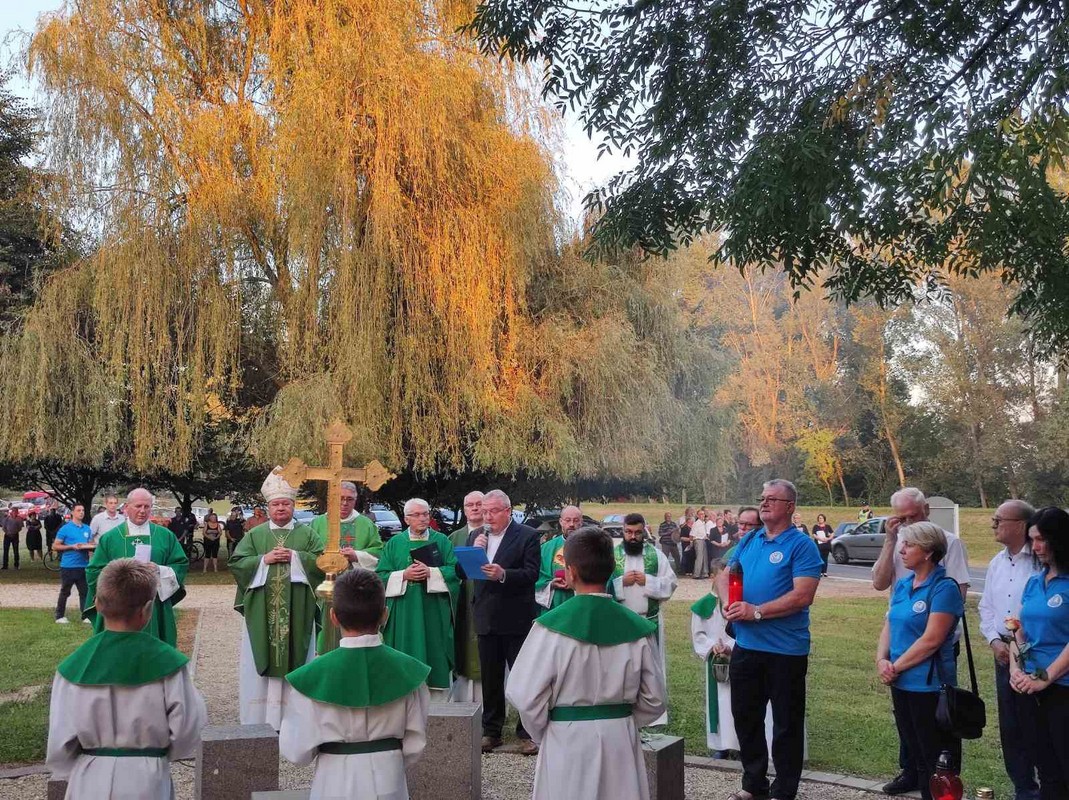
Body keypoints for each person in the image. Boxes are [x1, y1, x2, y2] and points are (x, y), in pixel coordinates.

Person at [506, 526, 665, 800]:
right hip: (620, 741)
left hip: (566, 740)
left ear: (571, 572)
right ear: (612, 569)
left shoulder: (549, 629)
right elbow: (654, 700)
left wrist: (546, 731)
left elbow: (526, 695)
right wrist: (621, 720)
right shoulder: (637, 630)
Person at [46, 559, 207, 800]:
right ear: (148, 610)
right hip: (147, 779)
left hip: (89, 778)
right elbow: (187, 730)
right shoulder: (169, 665)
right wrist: (158, 754)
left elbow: (59, 742)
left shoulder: (73, 668)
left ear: (98, 605)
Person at [280, 568, 430, 800]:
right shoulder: (409, 672)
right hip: (389, 780)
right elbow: (415, 745)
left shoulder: (310, 678)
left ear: (333, 617)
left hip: (334, 782)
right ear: (384, 615)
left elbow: (296, 752)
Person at [716, 479, 822, 800]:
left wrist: (757, 611)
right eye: (762, 498)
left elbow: (803, 595)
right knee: (746, 718)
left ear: (789, 507)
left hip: (785, 651)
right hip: (747, 648)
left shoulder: (801, 545)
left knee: (786, 724)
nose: (764, 504)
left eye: (772, 499)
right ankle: (754, 784)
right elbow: (723, 575)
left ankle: (783, 791)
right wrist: (727, 602)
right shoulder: (750, 540)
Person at [872, 487, 971, 796]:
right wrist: (881, 660)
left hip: (928, 676)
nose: (903, 546)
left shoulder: (944, 581)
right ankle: (912, 775)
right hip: (900, 673)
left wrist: (896, 665)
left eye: (909, 544)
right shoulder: (903, 583)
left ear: (927, 551)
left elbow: (933, 637)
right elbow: (888, 617)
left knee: (935, 751)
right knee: (913, 740)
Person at [230, 468, 325, 730]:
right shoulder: (255, 535)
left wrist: (295, 557)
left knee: (299, 653)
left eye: (285, 503)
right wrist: (264, 560)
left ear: (293, 506)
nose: (280, 508)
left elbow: (322, 562)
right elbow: (237, 563)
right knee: (259, 653)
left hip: (299, 610)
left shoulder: (307, 535)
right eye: (275, 504)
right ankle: (259, 718)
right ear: (268, 507)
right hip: (262, 611)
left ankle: (297, 719)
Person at [460, 488, 540, 755]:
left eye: (493, 511)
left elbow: (531, 574)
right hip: (485, 615)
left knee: (522, 676)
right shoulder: (476, 535)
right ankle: (491, 731)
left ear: (508, 511)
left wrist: (504, 574)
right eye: (484, 512)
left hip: (516, 616)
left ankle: (527, 731)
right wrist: (472, 551)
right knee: (490, 678)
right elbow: (461, 570)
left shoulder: (527, 536)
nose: (488, 517)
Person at [979, 499, 1041, 800]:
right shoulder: (996, 562)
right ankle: (1023, 789)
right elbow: (986, 606)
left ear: (1020, 526)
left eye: (999, 519)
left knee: (1040, 723)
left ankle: (1051, 785)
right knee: (1011, 725)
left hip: (1038, 652)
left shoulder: (1042, 560)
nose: (994, 524)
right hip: (1003, 653)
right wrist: (993, 640)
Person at [1011, 507, 1069, 800]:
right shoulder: (1035, 581)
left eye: (1041, 539)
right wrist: (1015, 671)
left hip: (1061, 689)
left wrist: (1045, 678)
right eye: (1032, 539)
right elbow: (1017, 629)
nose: (1035, 547)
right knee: (1045, 767)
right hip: (1032, 689)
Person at [376, 497, 459, 701]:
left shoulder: (441, 541)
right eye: (417, 515)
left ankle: (438, 707)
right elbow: (381, 575)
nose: (422, 519)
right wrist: (403, 575)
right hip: (403, 613)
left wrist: (430, 572)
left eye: (425, 514)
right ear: (406, 519)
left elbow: (455, 572)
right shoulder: (395, 543)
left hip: (434, 612)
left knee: (434, 654)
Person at [692, 558, 775, 760]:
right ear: (713, 577)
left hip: (738, 655)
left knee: (740, 703)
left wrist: (729, 646)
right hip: (716, 661)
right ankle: (721, 745)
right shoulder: (704, 606)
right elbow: (698, 634)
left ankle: (739, 745)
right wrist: (713, 647)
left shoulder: (738, 601)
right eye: (723, 576)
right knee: (720, 704)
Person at [84, 488, 188, 645]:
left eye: (147, 507)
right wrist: (119, 575)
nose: (142, 511)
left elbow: (180, 564)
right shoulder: (110, 538)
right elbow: (94, 571)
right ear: (126, 507)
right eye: (138, 506)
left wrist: (159, 570)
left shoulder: (165, 536)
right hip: (118, 606)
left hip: (154, 605)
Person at [610, 512, 678, 726]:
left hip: (649, 620)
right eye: (628, 532)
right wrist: (622, 582)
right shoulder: (612, 555)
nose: (632, 537)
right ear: (622, 531)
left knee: (651, 667)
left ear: (644, 531)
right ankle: (622, 706)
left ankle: (653, 713)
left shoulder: (656, 555)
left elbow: (671, 584)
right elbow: (602, 584)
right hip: (621, 621)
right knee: (622, 666)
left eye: (637, 533)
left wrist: (648, 581)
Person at [311, 481, 384, 654]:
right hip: (325, 589)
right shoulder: (318, 523)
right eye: (340, 498)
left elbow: (379, 553)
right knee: (326, 635)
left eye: (349, 499)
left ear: (356, 500)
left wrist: (356, 555)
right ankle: (324, 657)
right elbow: (309, 552)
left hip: (356, 590)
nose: (344, 503)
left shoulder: (365, 524)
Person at [449, 491, 486, 703]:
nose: (474, 508)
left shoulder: (494, 534)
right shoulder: (454, 538)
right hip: (461, 600)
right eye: (469, 504)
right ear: (464, 509)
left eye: (478, 504)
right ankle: (461, 697)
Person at [535, 505, 583, 614]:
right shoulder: (546, 548)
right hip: (554, 606)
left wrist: (578, 582)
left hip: (581, 605)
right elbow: (536, 576)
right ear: (561, 522)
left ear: (581, 522)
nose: (571, 524)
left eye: (576, 520)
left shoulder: (591, 548)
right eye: (567, 520)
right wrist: (550, 584)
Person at [53, 505, 95, 625]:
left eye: (83, 510)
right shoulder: (65, 529)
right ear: (72, 512)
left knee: (85, 592)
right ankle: (59, 616)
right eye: (78, 510)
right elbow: (55, 546)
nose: (81, 513)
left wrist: (92, 547)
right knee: (65, 591)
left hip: (83, 565)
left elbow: (90, 544)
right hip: (68, 566)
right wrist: (72, 546)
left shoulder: (87, 529)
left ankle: (85, 615)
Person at [691, 508, 711, 579]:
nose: (702, 515)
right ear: (698, 515)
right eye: (701, 514)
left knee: (705, 557)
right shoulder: (696, 523)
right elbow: (692, 534)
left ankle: (704, 573)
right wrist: (692, 542)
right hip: (698, 540)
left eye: (703, 514)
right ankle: (696, 574)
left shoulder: (703, 523)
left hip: (703, 540)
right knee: (699, 557)